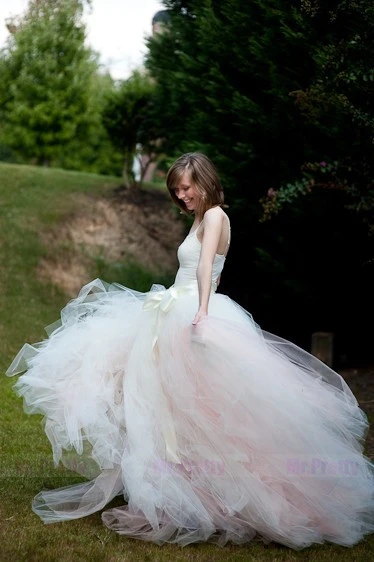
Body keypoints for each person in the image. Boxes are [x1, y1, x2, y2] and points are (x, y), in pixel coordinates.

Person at [5, 152, 374, 550]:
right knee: (168, 404)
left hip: (192, 310)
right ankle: (180, 486)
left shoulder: (215, 216)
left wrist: (200, 311)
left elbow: (204, 269)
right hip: (173, 308)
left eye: (186, 188)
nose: (181, 196)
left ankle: (218, 491)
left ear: (204, 181)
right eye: (176, 190)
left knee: (200, 408)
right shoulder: (201, 217)